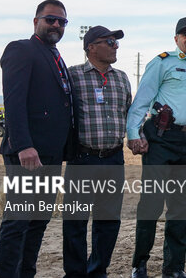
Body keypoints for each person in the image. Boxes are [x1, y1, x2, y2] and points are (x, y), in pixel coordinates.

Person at [127, 17, 186, 278]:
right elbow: (141, 100)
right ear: (176, 38)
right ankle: (139, 265)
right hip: (160, 140)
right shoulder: (162, 62)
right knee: (152, 205)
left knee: (181, 207)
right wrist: (133, 133)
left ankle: (174, 268)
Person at [0, 0, 76, 278]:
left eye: (61, 21)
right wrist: (24, 145)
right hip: (27, 154)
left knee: (38, 221)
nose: (56, 25)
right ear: (36, 21)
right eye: (50, 19)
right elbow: (13, 102)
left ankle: (25, 273)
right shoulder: (22, 49)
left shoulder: (55, 56)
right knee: (18, 221)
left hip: (51, 154)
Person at [63, 26, 131, 278]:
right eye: (110, 41)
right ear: (91, 46)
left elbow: (128, 112)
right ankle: (75, 273)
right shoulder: (73, 76)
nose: (116, 46)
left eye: (116, 42)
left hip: (114, 159)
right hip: (82, 159)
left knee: (108, 222)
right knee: (75, 223)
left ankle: (97, 270)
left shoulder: (122, 78)